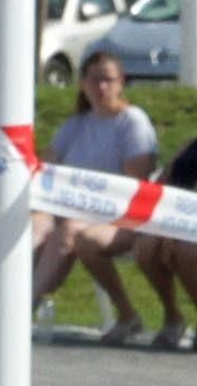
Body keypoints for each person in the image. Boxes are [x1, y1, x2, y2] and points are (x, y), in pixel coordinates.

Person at [31, 50, 182, 346]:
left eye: (108, 80)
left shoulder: (132, 122)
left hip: (121, 217)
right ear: (83, 83)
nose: (101, 88)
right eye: (94, 80)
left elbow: (135, 184)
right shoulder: (75, 125)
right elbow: (45, 168)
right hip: (66, 210)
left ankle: (26, 305)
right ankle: (5, 299)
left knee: (74, 231)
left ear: (121, 82)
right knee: (35, 226)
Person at [131, 132, 197, 350]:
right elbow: (162, 186)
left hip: (189, 226)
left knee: (187, 250)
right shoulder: (190, 145)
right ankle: (172, 316)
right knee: (146, 246)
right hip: (178, 222)